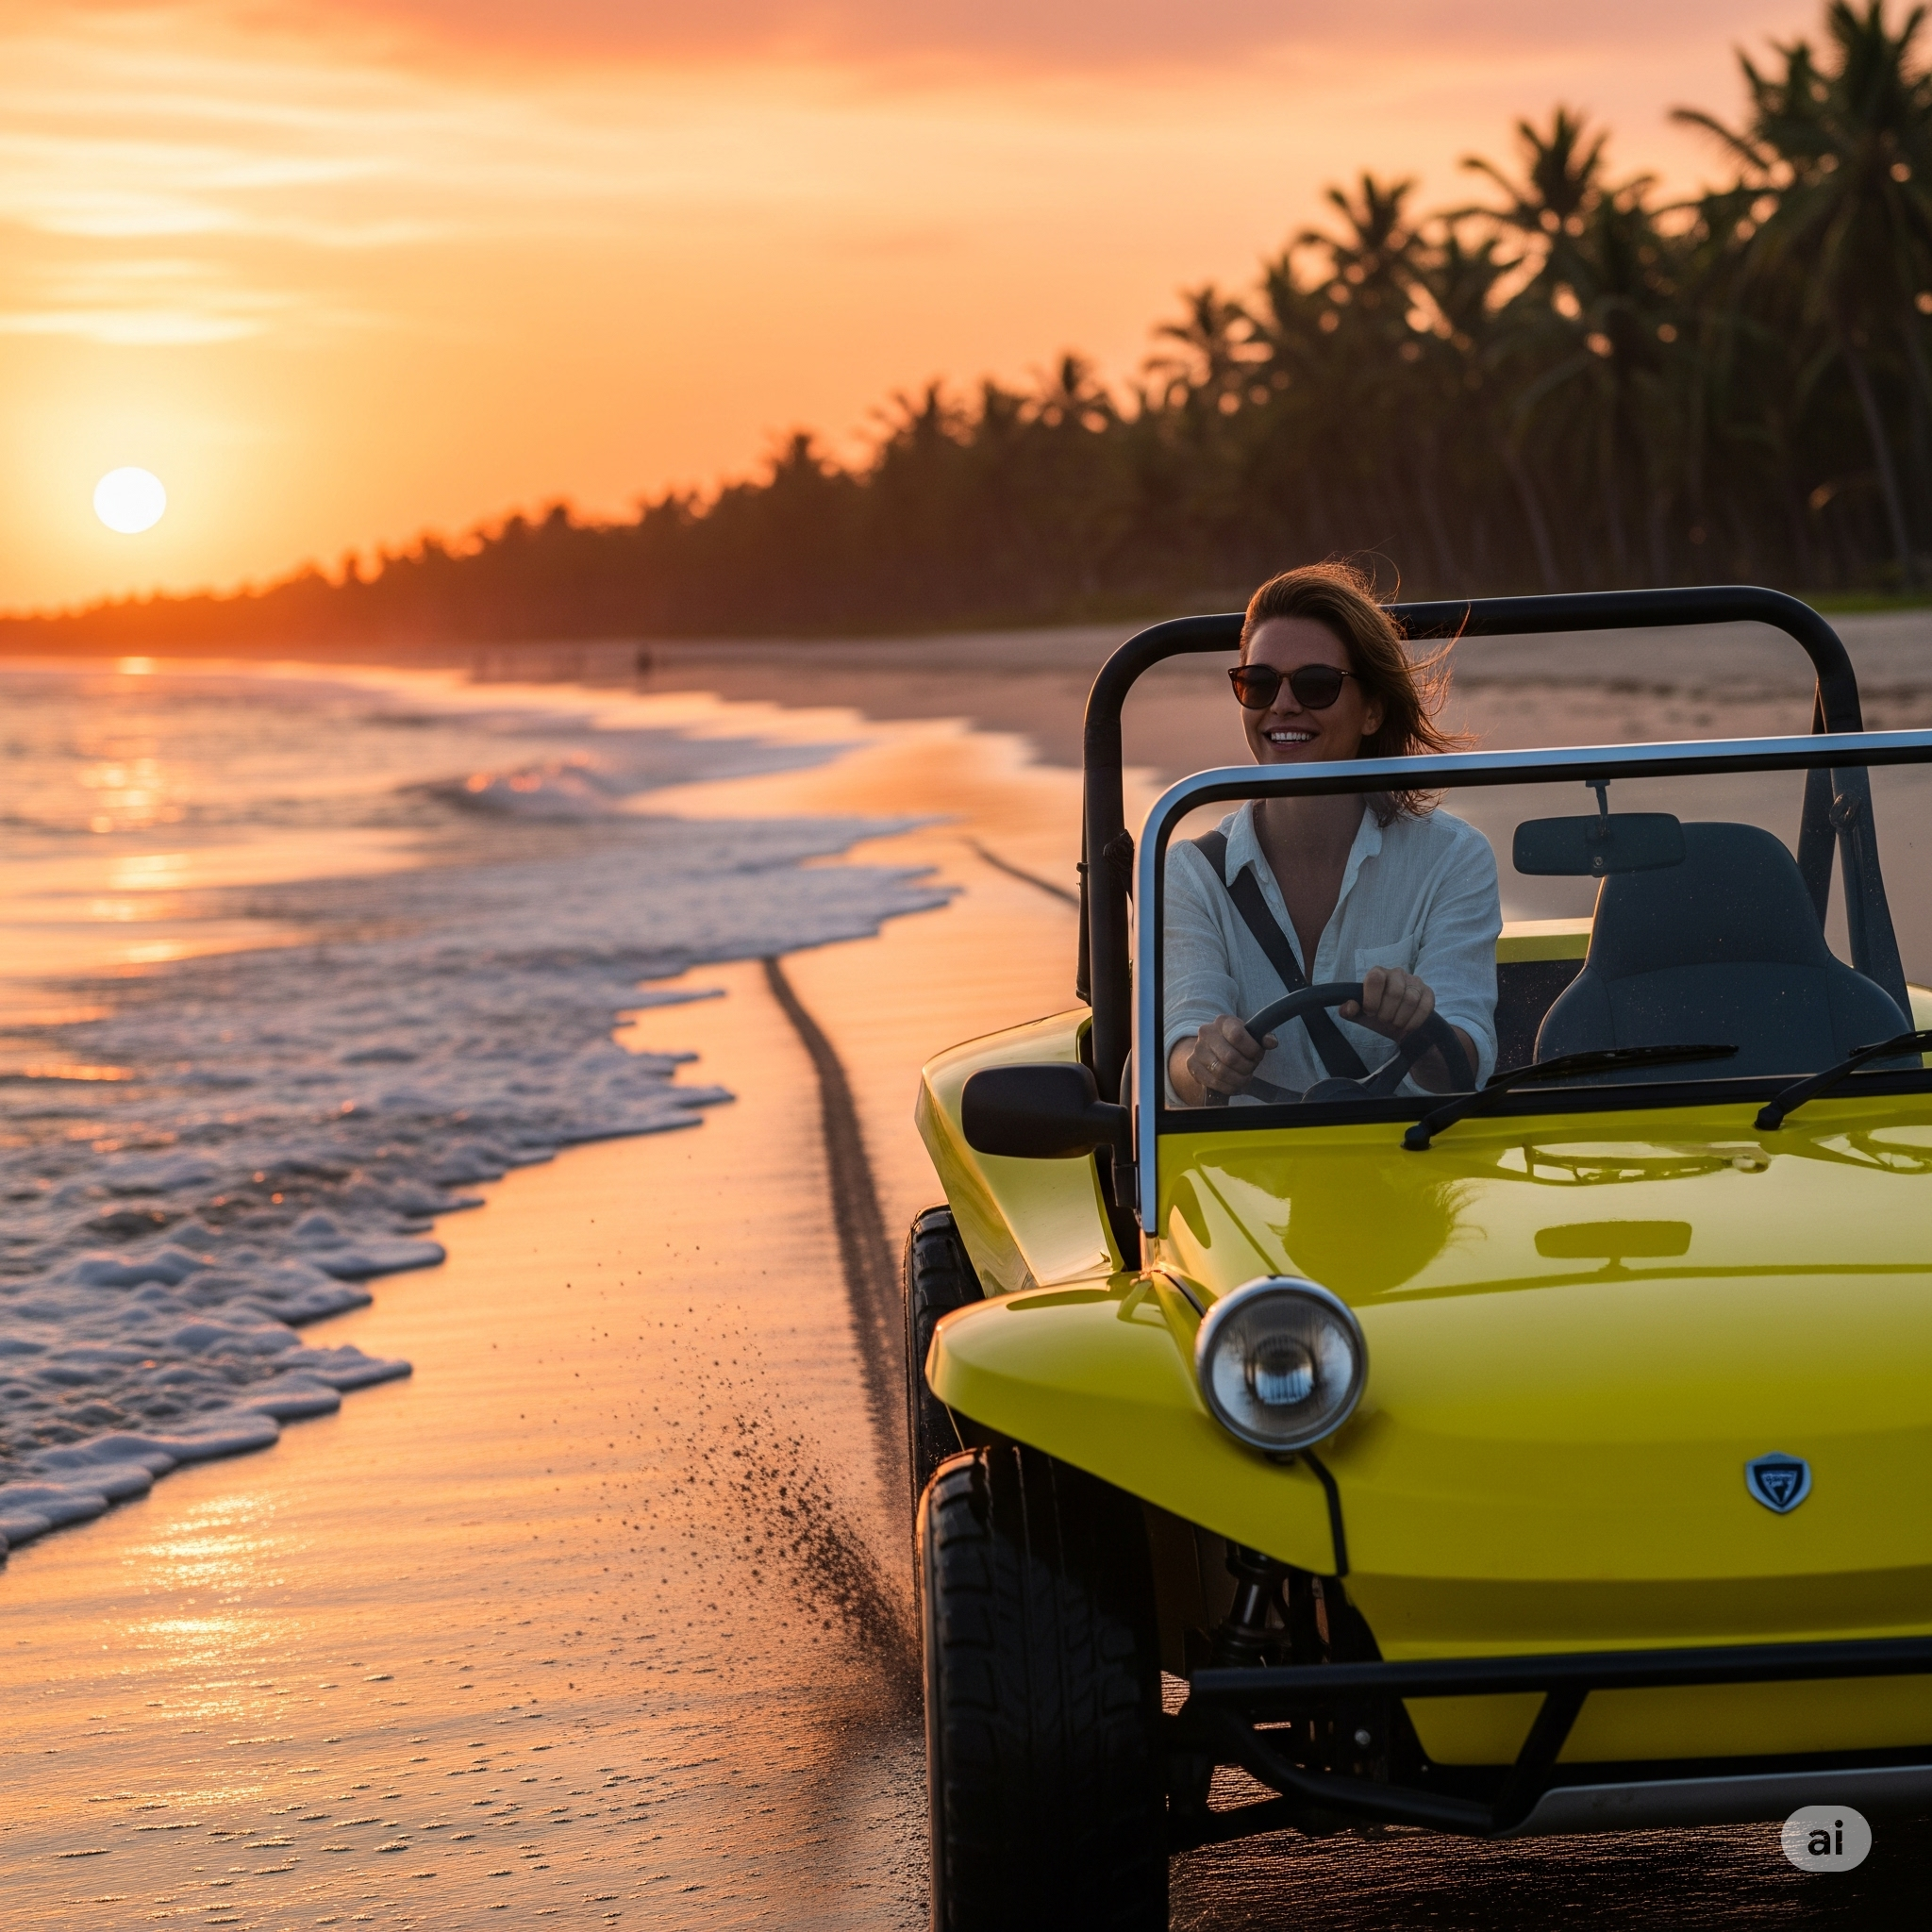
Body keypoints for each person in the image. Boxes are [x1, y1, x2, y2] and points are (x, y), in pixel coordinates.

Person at [1165, 562, 1500, 1107]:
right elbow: (1181, 1043)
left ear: (1372, 711)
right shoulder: (1190, 873)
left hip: (1409, 1160)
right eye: (1259, 683)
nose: (1283, 704)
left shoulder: (1453, 858)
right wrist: (1204, 1062)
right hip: (1250, 1175)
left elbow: (1464, 1062)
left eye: (1316, 684)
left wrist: (1415, 1028)